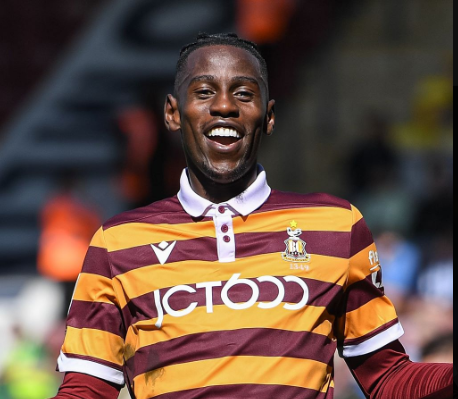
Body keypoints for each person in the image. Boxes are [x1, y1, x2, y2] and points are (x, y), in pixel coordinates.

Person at [50, 33, 455, 399]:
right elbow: (86, 389)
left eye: (244, 94)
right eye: (205, 92)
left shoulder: (337, 226)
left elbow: (388, 378)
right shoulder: (117, 243)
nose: (225, 106)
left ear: (270, 116)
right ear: (173, 113)